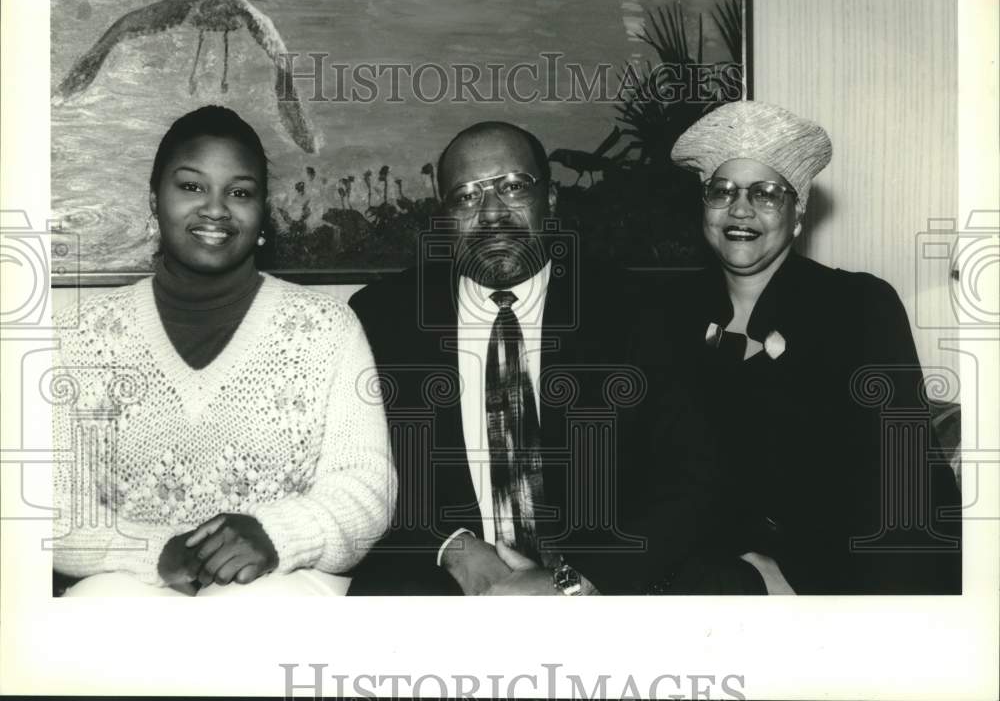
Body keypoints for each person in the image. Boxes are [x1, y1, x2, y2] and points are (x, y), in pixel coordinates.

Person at [347, 121, 717, 595]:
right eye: (466, 197)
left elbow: (690, 477)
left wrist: (575, 583)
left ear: (552, 200)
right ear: (444, 218)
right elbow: (359, 473)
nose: (491, 213)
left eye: (513, 188)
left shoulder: (637, 310)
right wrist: (452, 547)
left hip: (600, 587)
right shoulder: (383, 317)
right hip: (438, 580)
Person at [52, 105, 395, 597]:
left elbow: (366, 492)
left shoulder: (328, 329)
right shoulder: (76, 334)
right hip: (124, 591)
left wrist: (274, 535)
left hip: (285, 587)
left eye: (239, 192)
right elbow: (45, 507)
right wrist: (155, 552)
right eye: (191, 186)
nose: (215, 208)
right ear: (154, 200)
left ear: (262, 214)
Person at [666, 99, 962, 594]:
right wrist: (746, 560)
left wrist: (802, 583)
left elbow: (902, 484)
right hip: (721, 573)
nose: (741, 209)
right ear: (705, 209)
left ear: (797, 213)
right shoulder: (669, 317)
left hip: (854, 578)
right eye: (723, 192)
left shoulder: (859, 306)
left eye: (766, 194)